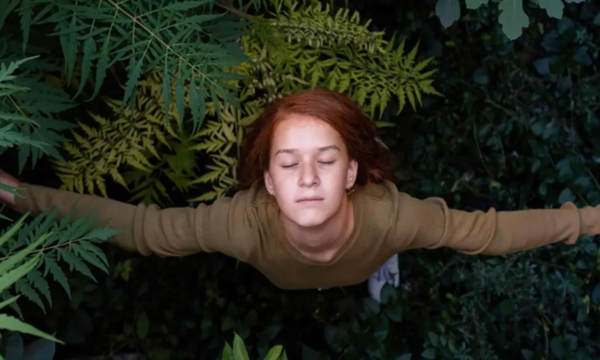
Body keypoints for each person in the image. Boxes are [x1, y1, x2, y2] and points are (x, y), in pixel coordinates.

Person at [0, 88, 598, 302]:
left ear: (351, 173)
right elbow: (143, 230)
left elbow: (488, 234)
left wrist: (591, 219)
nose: (307, 177)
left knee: (378, 250)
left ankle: (377, 270)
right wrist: (22, 194)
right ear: (268, 180)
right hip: (282, 269)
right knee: (303, 280)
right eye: (288, 163)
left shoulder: (392, 216)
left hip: (373, 243)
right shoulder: (240, 224)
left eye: (326, 159)